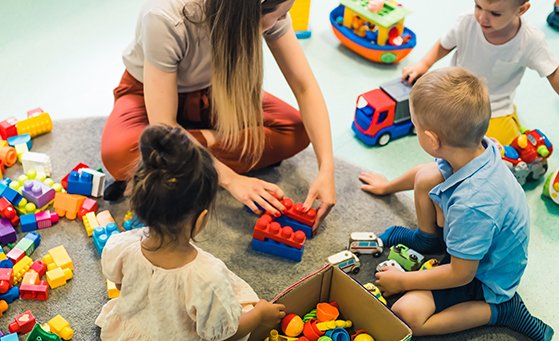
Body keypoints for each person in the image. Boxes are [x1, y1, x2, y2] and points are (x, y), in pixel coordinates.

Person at [101, 0, 335, 228]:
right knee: (120, 156)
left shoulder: (267, 9)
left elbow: (304, 87)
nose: (283, 20)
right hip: (146, 92)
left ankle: (185, 150)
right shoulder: (165, 16)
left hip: (217, 91)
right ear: (252, 12)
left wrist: (326, 168)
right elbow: (163, 123)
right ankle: (194, 145)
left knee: (296, 129)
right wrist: (232, 180)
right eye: (281, 14)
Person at [373, 67, 554, 340]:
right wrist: (387, 186)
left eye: (415, 125)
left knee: (407, 315)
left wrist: (402, 281)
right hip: (475, 242)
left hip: (486, 276)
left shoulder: (472, 205)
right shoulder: (477, 147)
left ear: (433, 140)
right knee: (427, 177)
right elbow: (422, 176)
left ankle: (502, 310)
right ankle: (427, 240)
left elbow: (461, 275)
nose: (414, 129)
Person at [95, 125, 286, 340]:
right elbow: (223, 333)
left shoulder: (120, 245)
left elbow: (122, 287)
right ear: (201, 219)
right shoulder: (207, 277)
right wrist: (259, 315)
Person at [401, 0, 559, 146]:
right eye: (478, 6)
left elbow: (553, 72)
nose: (482, 17)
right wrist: (424, 63)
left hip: (493, 106)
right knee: (425, 114)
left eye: (495, 13)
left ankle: (511, 121)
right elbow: (444, 44)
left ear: (521, 10)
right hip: (453, 94)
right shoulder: (467, 22)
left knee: (492, 147)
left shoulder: (530, 40)